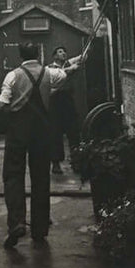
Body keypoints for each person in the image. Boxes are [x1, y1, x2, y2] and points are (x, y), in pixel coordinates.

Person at [0, 41, 69, 249]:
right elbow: (63, 76)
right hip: (41, 131)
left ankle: (17, 223)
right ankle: (39, 229)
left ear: (20, 55)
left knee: (13, 175)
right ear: (38, 54)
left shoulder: (12, 76)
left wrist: (15, 106)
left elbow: (2, 105)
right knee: (40, 177)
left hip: (18, 130)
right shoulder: (50, 73)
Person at [48, 46, 82, 175]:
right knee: (55, 132)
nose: (64, 53)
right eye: (60, 52)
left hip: (68, 100)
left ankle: (76, 161)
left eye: (65, 51)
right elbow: (60, 74)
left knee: (73, 131)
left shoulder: (69, 63)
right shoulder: (50, 68)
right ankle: (56, 163)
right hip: (55, 101)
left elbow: (81, 58)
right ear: (55, 56)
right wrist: (71, 69)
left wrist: (85, 52)